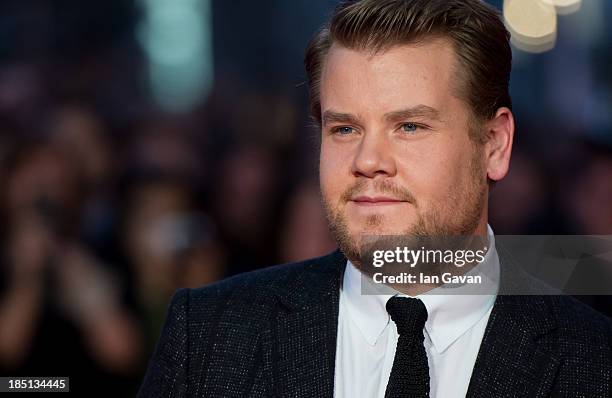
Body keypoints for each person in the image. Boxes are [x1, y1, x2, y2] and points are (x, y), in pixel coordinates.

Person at [138, 1, 612, 397]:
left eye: (409, 126)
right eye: (344, 128)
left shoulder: (594, 361)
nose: (368, 160)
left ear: (494, 145)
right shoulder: (209, 336)